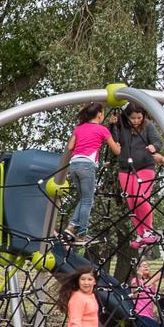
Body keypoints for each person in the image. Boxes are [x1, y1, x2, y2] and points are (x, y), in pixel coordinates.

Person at [60, 102, 121, 245]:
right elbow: (116, 151)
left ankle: (71, 226)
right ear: (99, 114)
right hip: (87, 165)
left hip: (74, 165)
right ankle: (82, 234)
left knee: (83, 199)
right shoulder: (102, 130)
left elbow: (70, 147)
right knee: (88, 201)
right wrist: (118, 146)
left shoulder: (79, 128)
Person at [109, 103, 164, 248]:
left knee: (141, 197)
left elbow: (157, 142)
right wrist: (113, 126)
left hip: (145, 166)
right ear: (127, 117)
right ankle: (140, 235)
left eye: (139, 117)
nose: (136, 121)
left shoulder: (148, 126)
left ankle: (148, 231)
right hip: (125, 169)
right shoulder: (122, 126)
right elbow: (114, 141)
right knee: (132, 203)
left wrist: (154, 147)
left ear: (143, 116)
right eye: (132, 118)